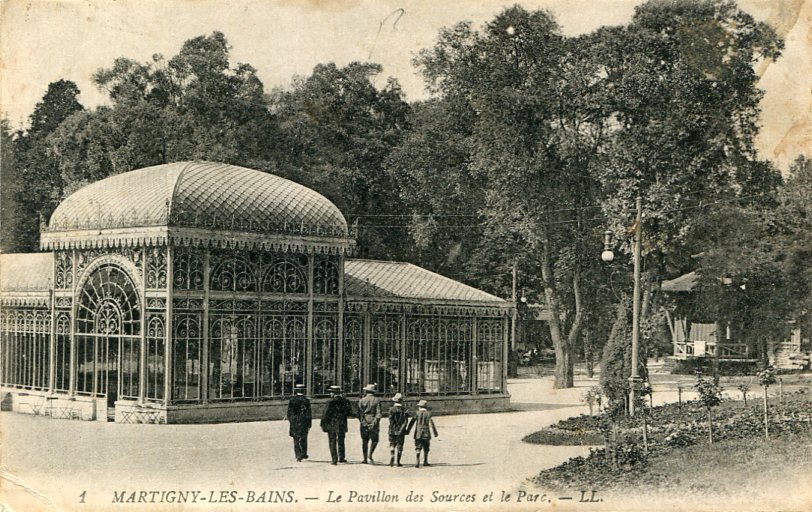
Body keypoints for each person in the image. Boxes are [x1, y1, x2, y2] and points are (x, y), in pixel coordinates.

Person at [320, 385, 353, 465]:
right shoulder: (345, 401)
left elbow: (325, 414)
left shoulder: (330, 401)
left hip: (332, 423)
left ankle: (334, 459)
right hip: (342, 423)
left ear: (333, 393)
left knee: (332, 440)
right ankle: (342, 457)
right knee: (341, 440)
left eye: (331, 392)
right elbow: (349, 412)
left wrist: (322, 423)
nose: (330, 394)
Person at [406, 399, 438, 468]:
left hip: (418, 432)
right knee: (426, 447)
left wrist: (408, 430)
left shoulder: (417, 413)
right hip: (426, 432)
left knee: (418, 446)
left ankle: (417, 461)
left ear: (420, 407)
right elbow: (432, 424)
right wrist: (435, 433)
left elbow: (412, 422)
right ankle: (425, 461)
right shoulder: (429, 413)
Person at [285, 384, 311, 462]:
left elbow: (289, 413)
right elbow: (309, 413)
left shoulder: (292, 400)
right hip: (304, 421)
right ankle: (304, 453)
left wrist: (292, 421)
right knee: (304, 438)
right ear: (304, 391)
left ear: (296, 391)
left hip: (295, 422)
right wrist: (309, 424)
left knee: (296, 439)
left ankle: (298, 455)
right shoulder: (306, 400)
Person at [357, 383, 382, 464]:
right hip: (374, 420)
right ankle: (370, 454)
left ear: (366, 391)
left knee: (364, 441)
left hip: (364, 420)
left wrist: (364, 422)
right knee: (375, 440)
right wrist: (374, 423)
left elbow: (359, 413)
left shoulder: (361, 400)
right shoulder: (377, 400)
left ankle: (364, 459)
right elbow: (379, 413)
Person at [387, 393, 409, 467]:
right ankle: (398, 462)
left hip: (392, 429)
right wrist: (401, 429)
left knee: (392, 443)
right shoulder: (404, 410)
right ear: (401, 401)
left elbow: (390, 420)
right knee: (400, 446)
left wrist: (393, 426)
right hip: (401, 430)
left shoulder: (391, 409)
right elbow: (405, 421)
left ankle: (392, 453)